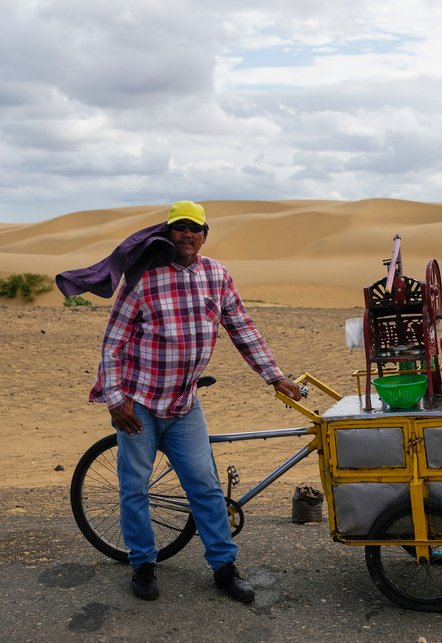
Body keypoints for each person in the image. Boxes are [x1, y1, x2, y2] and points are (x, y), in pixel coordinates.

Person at [88, 200, 302, 603]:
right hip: (139, 404)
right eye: (180, 227)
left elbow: (242, 328)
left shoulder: (216, 275)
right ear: (168, 233)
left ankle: (224, 568)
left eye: (195, 228)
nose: (187, 234)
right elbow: (112, 343)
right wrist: (115, 399)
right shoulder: (143, 278)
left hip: (185, 404)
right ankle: (143, 565)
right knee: (134, 489)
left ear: (206, 234)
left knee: (204, 487)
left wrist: (274, 375)